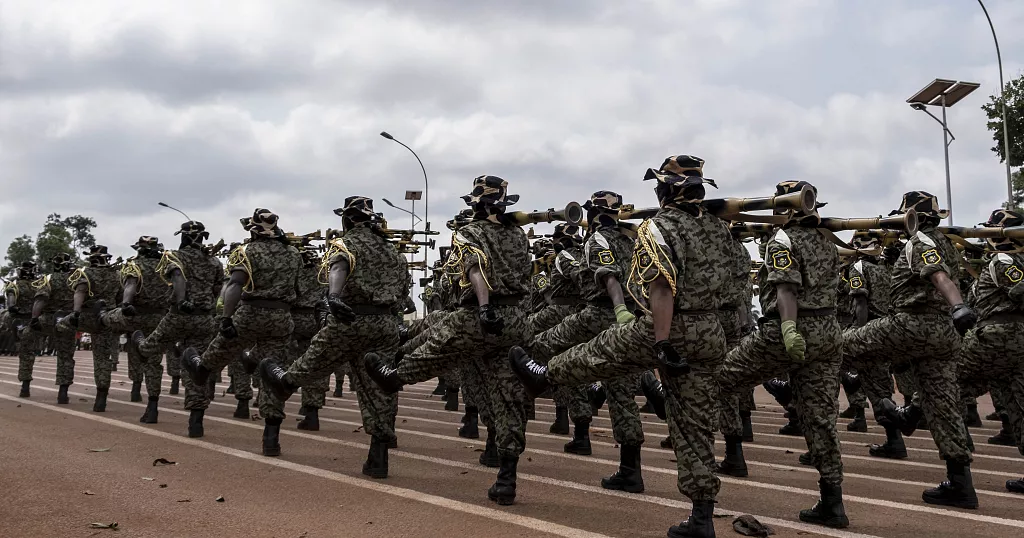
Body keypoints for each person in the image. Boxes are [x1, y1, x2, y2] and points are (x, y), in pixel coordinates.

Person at [511, 155, 736, 537]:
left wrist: (662, 341)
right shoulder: (719, 230)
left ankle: (545, 375)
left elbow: (662, 287)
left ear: (667, 188)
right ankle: (702, 516)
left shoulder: (657, 227)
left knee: (601, 351)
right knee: (694, 424)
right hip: (710, 329)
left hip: (669, 327)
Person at [366, 175, 532, 505]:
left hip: (481, 315)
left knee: (438, 344)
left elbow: (475, 270)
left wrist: (484, 308)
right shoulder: (517, 234)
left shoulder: (469, 232)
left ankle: (395, 377)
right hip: (515, 320)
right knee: (509, 397)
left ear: (474, 203)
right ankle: (507, 479)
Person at [845, 191, 978, 509]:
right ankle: (961, 485)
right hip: (944, 335)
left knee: (837, 344)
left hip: (912, 325)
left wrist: (959, 306)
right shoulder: (945, 243)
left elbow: (938, 275)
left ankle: (857, 390)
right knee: (942, 406)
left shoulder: (922, 242)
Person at [260, 196, 408, 475]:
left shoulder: (345, 244)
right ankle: (378, 457)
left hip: (350, 319)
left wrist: (334, 296)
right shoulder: (393, 251)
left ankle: (286, 382)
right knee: (379, 387)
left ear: (348, 219)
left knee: (315, 359)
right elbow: (402, 294)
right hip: (384, 323)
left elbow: (339, 267)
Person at [180, 208, 300, 456]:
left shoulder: (246, 251)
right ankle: (271, 438)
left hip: (250, 312)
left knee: (215, 355)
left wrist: (225, 318)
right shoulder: (293, 253)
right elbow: (297, 289)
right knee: (272, 374)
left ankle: (199, 394)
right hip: (280, 316)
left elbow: (235, 284)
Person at [953, 209, 1024, 494]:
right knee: (1018, 405)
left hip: (999, 338)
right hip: (1013, 341)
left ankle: (911, 412)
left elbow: (1020, 289)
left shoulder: (1006, 259)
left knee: (948, 380)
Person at [131, 220, 222, 437]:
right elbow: (218, 288)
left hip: (179, 315)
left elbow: (178, 277)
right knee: (196, 367)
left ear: (182, 236)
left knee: (148, 347)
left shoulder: (173, 256)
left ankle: (152, 407)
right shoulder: (215, 261)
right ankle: (196, 421)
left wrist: (181, 301)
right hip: (204, 319)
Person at [58, 246, 121, 412]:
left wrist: (75, 313)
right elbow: (121, 296)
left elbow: (80, 292)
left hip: (85, 317)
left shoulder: (84, 273)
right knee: (102, 359)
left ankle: (63, 390)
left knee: (60, 327)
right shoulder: (116, 274)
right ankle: (101, 398)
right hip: (106, 318)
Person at [28, 253, 80, 403]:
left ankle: (25, 385)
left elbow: (40, 300)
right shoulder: (76, 279)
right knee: (66, 356)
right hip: (67, 320)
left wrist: (34, 319)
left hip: (49, 319)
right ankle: (63, 392)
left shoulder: (48, 279)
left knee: (27, 342)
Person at [3, 261, 41, 398]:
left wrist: (13, 307)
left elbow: (11, 303)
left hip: (18, 321)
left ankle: (25, 387)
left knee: (24, 353)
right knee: (28, 353)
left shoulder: (14, 285)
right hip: (34, 321)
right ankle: (25, 385)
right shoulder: (40, 285)